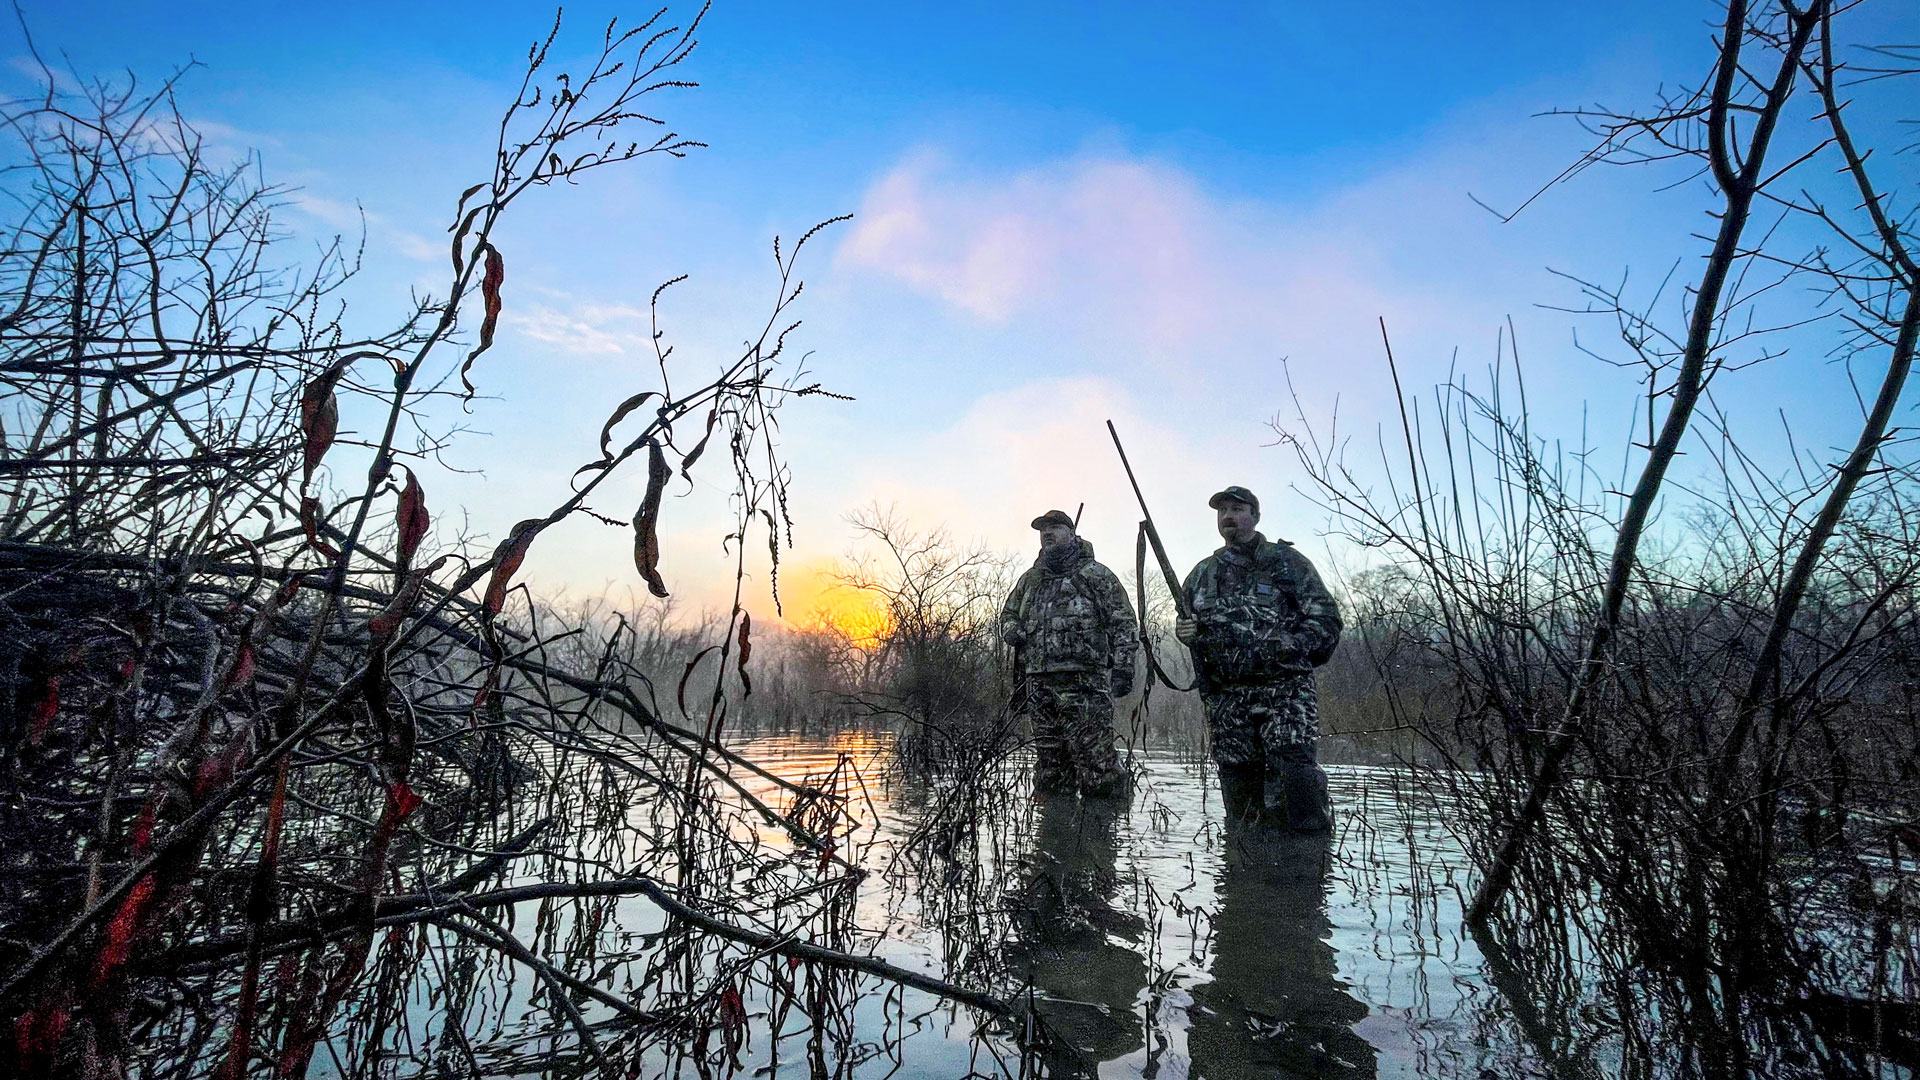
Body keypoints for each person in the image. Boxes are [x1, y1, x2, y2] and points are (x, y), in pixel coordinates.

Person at [1175, 486, 1342, 831]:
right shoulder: (1202, 573)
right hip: (1227, 699)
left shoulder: (1286, 562)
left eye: (1237, 509)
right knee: (1242, 808)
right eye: (1222, 512)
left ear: (1255, 515)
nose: (1228, 517)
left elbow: (1326, 621)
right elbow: (1191, 628)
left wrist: (1288, 648)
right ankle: (1246, 877)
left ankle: (1309, 871)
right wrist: (1186, 632)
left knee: (1297, 786)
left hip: (1285, 692)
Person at [1000, 509, 1138, 798]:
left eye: (1055, 527)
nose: (1047, 533)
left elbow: (1123, 622)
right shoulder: (1031, 579)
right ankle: (1055, 834)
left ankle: (1105, 832)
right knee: (1051, 770)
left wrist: (1124, 668)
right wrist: (1012, 629)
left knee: (1098, 767)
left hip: (1084, 684)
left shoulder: (1096, 575)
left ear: (1072, 533)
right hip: (1038, 686)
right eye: (1043, 529)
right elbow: (1008, 615)